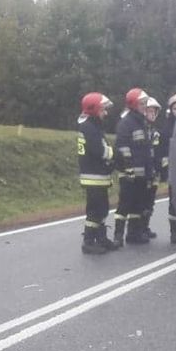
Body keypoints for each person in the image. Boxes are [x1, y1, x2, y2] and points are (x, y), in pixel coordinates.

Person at [76, 92, 119, 254]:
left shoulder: (92, 126)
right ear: (94, 109)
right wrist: (116, 155)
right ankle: (88, 242)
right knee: (95, 211)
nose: (105, 113)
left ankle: (101, 238)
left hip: (98, 176)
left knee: (102, 209)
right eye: (102, 109)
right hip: (93, 177)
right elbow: (100, 151)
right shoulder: (89, 128)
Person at [113, 88, 154, 246]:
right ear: (133, 105)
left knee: (138, 205)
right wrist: (128, 168)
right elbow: (122, 148)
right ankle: (118, 236)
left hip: (142, 175)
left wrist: (149, 172)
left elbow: (146, 150)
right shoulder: (126, 123)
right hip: (128, 174)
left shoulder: (142, 123)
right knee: (124, 205)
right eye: (142, 104)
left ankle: (133, 234)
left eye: (145, 103)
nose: (144, 106)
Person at [142, 96, 164, 240]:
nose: (152, 114)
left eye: (154, 111)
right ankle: (138, 228)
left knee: (150, 201)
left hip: (154, 172)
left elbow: (157, 152)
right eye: (150, 111)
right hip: (144, 172)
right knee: (142, 201)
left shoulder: (154, 130)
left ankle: (145, 227)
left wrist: (160, 169)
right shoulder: (141, 129)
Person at [163, 94, 176, 243]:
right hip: (173, 170)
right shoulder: (166, 129)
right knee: (173, 201)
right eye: (175, 108)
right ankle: (174, 232)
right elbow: (163, 151)